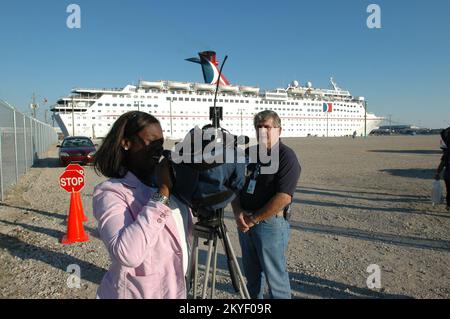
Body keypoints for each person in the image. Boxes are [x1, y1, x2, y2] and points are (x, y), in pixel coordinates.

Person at [92, 111, 193, 299]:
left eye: (161, 144)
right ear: (126, 143)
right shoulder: (110, 192)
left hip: (173, 290)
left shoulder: (165, 183)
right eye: (151, 141)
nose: (158, 150)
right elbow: (127, 254)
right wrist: (162, 193)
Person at [231, 110, 301, 299]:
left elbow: (284, 197)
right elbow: (234, 186)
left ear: (279, 130)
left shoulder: (286, 157)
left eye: (267, 127)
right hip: (245, 223)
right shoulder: (248, 153)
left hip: (270, 225)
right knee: (252, 279)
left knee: (275, 281)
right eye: (259, 127)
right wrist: (237, 212)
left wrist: (254, 219)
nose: (263, 131)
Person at [435, 134, 450, 211]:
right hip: (448, 176)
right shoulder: (446, 154)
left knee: (448, 190)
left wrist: (437, 173)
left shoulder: (446, 154)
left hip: (447, 176)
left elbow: (441, 165)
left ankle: (448, 205)